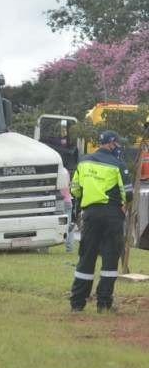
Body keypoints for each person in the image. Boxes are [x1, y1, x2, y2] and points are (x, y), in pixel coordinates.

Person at [69, 131, 131, 313]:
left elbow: (75, 190)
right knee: (110, 259)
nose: (119, 147)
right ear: (112, 144)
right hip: (112, 215)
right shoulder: (118, 165)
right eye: (118, 144)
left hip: (90, 214)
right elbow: (128, 194)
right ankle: (104, 304)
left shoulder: (83, 162)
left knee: (86, 258)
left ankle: (77, 304)